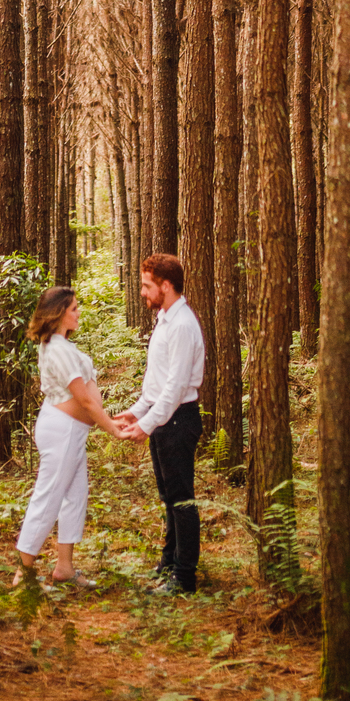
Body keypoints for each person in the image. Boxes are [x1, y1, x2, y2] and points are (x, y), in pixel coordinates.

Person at [12, 285, 123, 588]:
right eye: (74, 308)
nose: (78, 312)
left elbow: (89, 393)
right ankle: (23, 574)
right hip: (61, 430)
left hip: (73, 432)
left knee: (75, 497)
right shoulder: (58, 349)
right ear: (60, 312)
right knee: (48, 497)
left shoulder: (65, 346)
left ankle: (64, 567)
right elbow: (84, 400)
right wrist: (112, 428)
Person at [114, 252, 206, 596]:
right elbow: (158, 381)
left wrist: (148, 423)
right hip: (164, 416)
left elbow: (177, 386)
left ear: (166, 286)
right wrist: (137, 411)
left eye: (147, 285)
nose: (142, 292)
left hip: (179, 420)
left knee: (182, 499)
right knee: (168, 496)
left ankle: (184, 577)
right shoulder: (165, 319)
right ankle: (169, 562)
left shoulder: (182, 325)